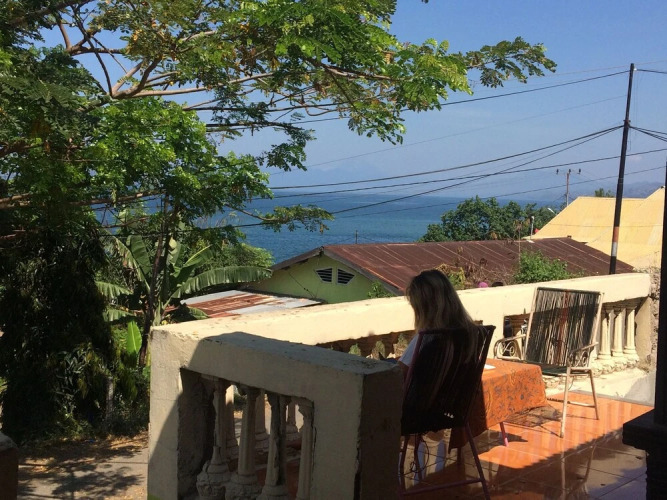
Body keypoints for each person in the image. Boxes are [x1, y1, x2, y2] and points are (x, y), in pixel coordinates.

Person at [398, 269, 480, 375]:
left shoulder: (427, 339)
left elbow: (398, 374)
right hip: (457, 386)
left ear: (422, 308)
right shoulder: (470, 334)